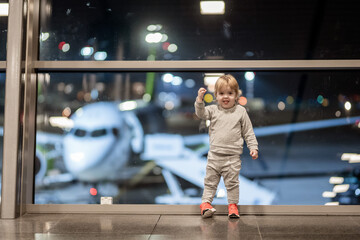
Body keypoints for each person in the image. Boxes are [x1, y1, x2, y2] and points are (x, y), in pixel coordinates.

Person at [194, 74, 259, 218]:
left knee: (232, 184)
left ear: (236, 95)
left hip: (232, 157)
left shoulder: (240, 111)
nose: (226, 97)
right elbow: (201, 114)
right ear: (216, 95)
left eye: (230, 93)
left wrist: (253, 147)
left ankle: (233, 206)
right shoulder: (212, 110)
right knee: (210, 183)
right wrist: (199, 100)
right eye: (222, 93)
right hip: (214, 156)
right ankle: (205, 205)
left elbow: (248, 132)